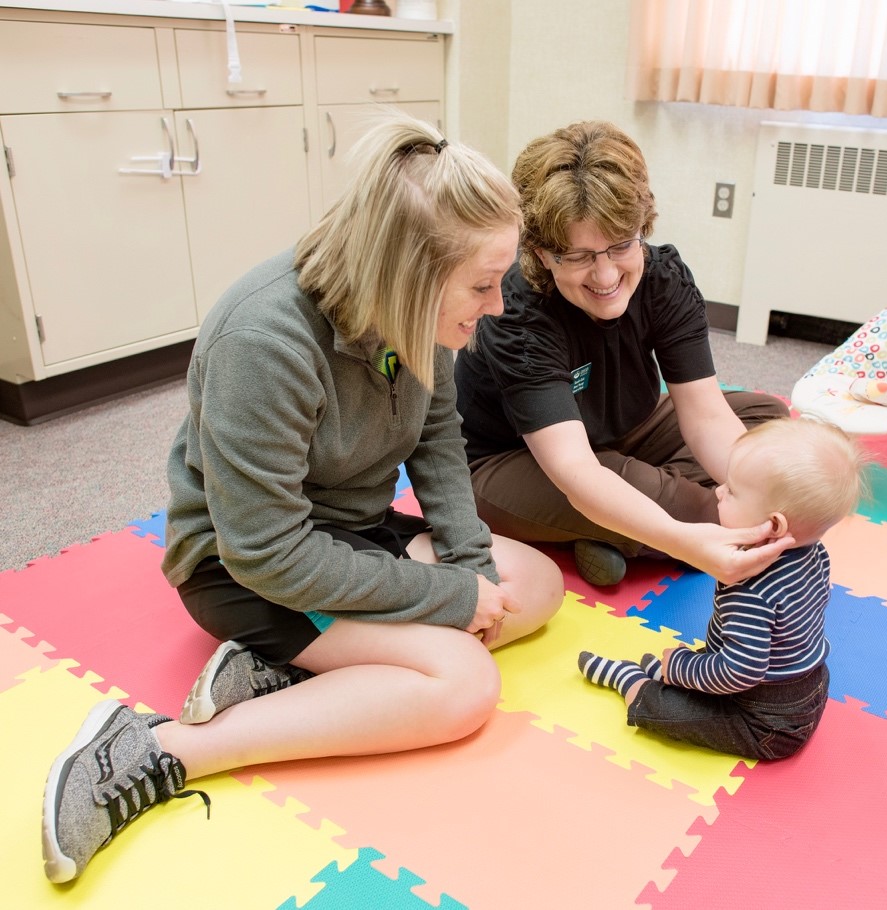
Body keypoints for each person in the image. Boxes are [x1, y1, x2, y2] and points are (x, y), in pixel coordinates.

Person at [41, 111, 564, 885]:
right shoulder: (266, 339)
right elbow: (267, 550)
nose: (496, 306)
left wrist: (467, 564)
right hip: (245, 566)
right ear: (410, 272)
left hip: (348, 531)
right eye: (484, 285)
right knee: (464, 684)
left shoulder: (412, 313)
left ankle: (288, 676)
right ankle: (155, 749)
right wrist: (448, 596)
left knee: (533, 587)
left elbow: (438, 439)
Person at [454, 120, 794, 589]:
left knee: (768, 425)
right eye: (578, 256)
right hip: (509, 461)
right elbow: (575, 469)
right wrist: (699, 530)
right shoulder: (520, 314)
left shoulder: (662, 277)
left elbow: (707, 416)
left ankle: (607, 525)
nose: (606, 274)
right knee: (699, 511)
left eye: (621, 245)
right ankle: (620, 515)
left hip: (619, 430)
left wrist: (765, 495)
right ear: (541, 252)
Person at [578, 417, 869, 760]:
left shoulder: (750, 587)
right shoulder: (814, 551)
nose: (718, 490)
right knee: (704, 672)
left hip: (768, 724)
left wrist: (679, 667)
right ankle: (671, 676)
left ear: (773, 524)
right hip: (812, 683)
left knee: (669, 713)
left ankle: (636, 684)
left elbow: (739, 671)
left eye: (731, 491)